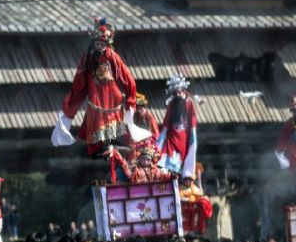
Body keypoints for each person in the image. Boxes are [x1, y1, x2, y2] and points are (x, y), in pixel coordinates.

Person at [51, 18, 142, 163]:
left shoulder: (112, 56)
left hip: (112, 95)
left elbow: (126, 76)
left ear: (107, 44)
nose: (100, 46)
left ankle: (111, 142)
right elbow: (80, 77)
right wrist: (75, 95)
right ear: (93, 43)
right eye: (97, 44)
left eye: (102, 44)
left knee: (111, 122)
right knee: (96, 121)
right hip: (96, 95)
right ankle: (98, 148)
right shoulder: (88, 57)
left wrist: (130, 93)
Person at [155, 74, 199, 179]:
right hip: (171, 136)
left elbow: (192, 120)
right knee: (165, 161)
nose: (178, 95)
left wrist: (193, 135)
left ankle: (180, 180)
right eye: (175, 93)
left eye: (179, 92)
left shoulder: (189, 103)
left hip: (184, 137)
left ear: (184, 91)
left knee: (179, 161)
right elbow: (166, 122)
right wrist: (162, 135)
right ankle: (165, 183)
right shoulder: (172, 103)